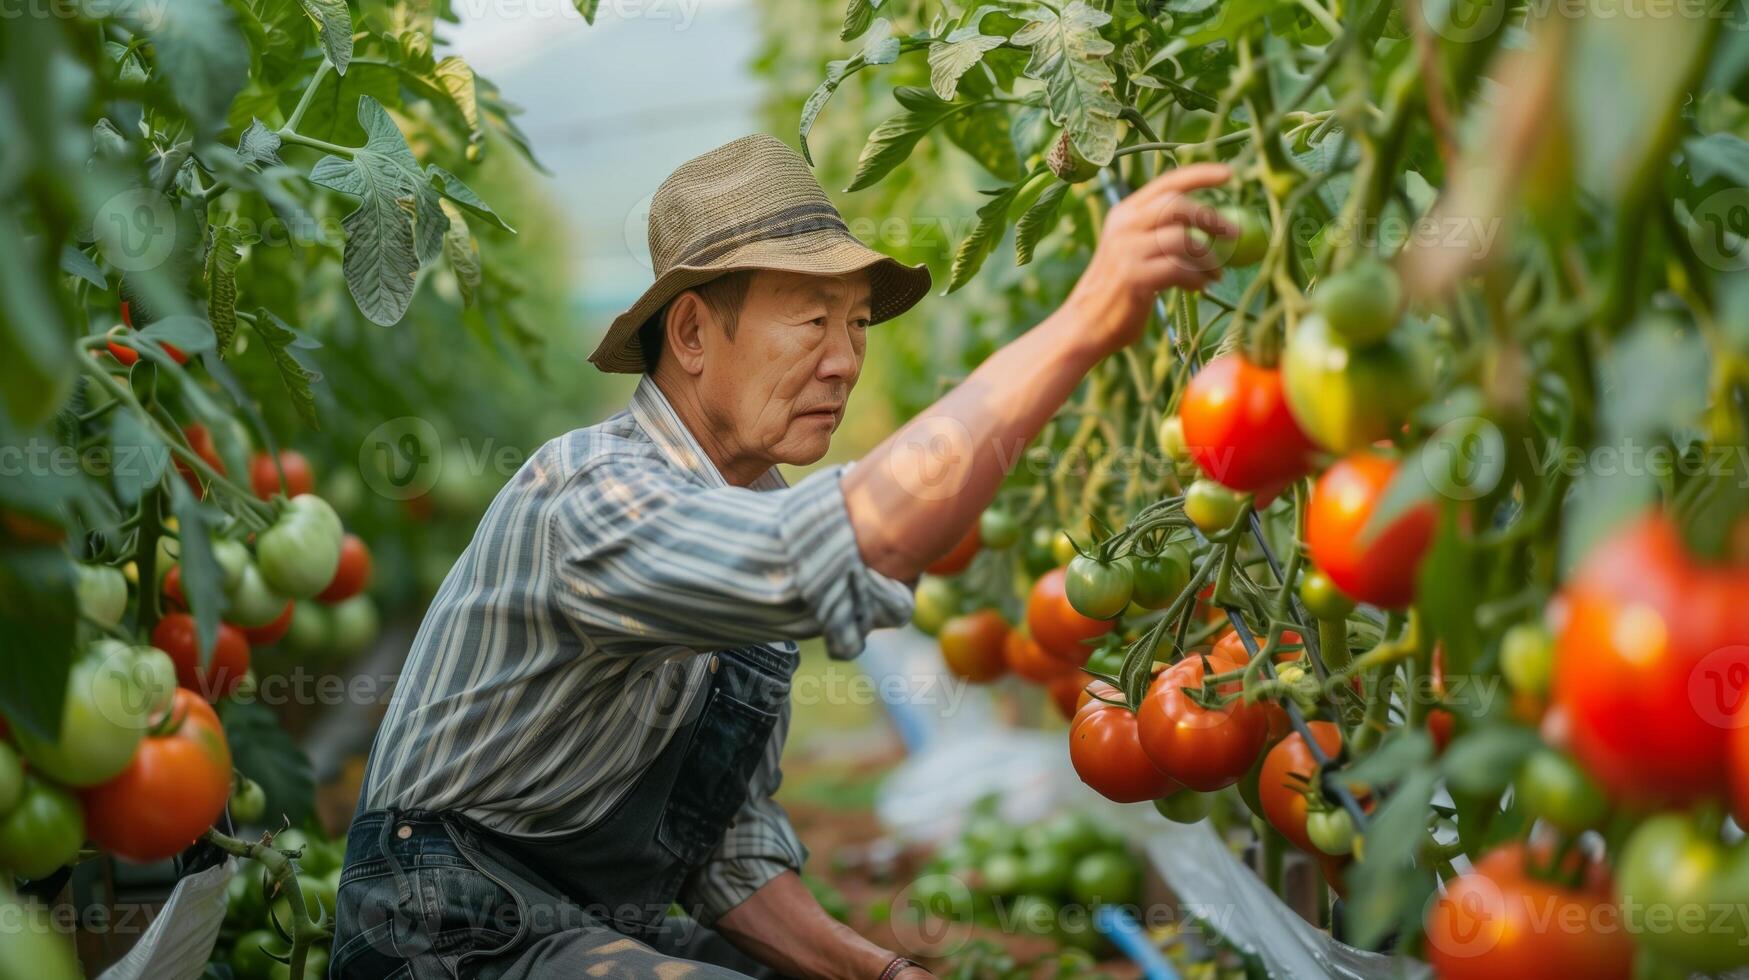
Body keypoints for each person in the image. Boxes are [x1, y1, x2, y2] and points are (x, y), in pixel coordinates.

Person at [329, 133, 1236, 980]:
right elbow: (828, 553)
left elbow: (720, 851)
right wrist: (1084, 323)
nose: (844, 361)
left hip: (586, 925)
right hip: (438, 931)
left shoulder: (755, 511)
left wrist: (878, 970)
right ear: (689, 335)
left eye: (857, 327)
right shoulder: (590, 492)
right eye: (811, 320)